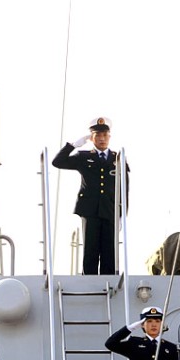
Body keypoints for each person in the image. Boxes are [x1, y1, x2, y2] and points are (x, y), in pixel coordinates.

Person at [52, 116, 128, 275]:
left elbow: (124, 188)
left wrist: (122, 215)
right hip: (89, 211)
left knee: (110, 254)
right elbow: (57, 162)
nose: (102, 139)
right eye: (97, 135)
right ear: (91, 137)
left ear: (109, 137)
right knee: (90, 252)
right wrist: (73, 145)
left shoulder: (118, 158)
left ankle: (109, 283)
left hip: (110, 211)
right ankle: (88, 282)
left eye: (105, 135)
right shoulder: (84, 157)